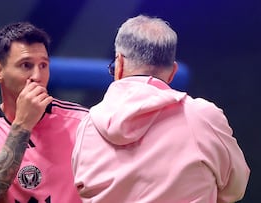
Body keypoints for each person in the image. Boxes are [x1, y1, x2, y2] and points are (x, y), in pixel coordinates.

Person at [71, 14, 250, 203]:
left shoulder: (87, 126)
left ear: (120, 64)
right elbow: (235, 189)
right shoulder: (203, 117)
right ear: (173, 72)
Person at [0, 22, 88, 203]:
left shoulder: (83, 122)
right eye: (26, 65)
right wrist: (23, 124)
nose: (38, 76)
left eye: (43, 65)